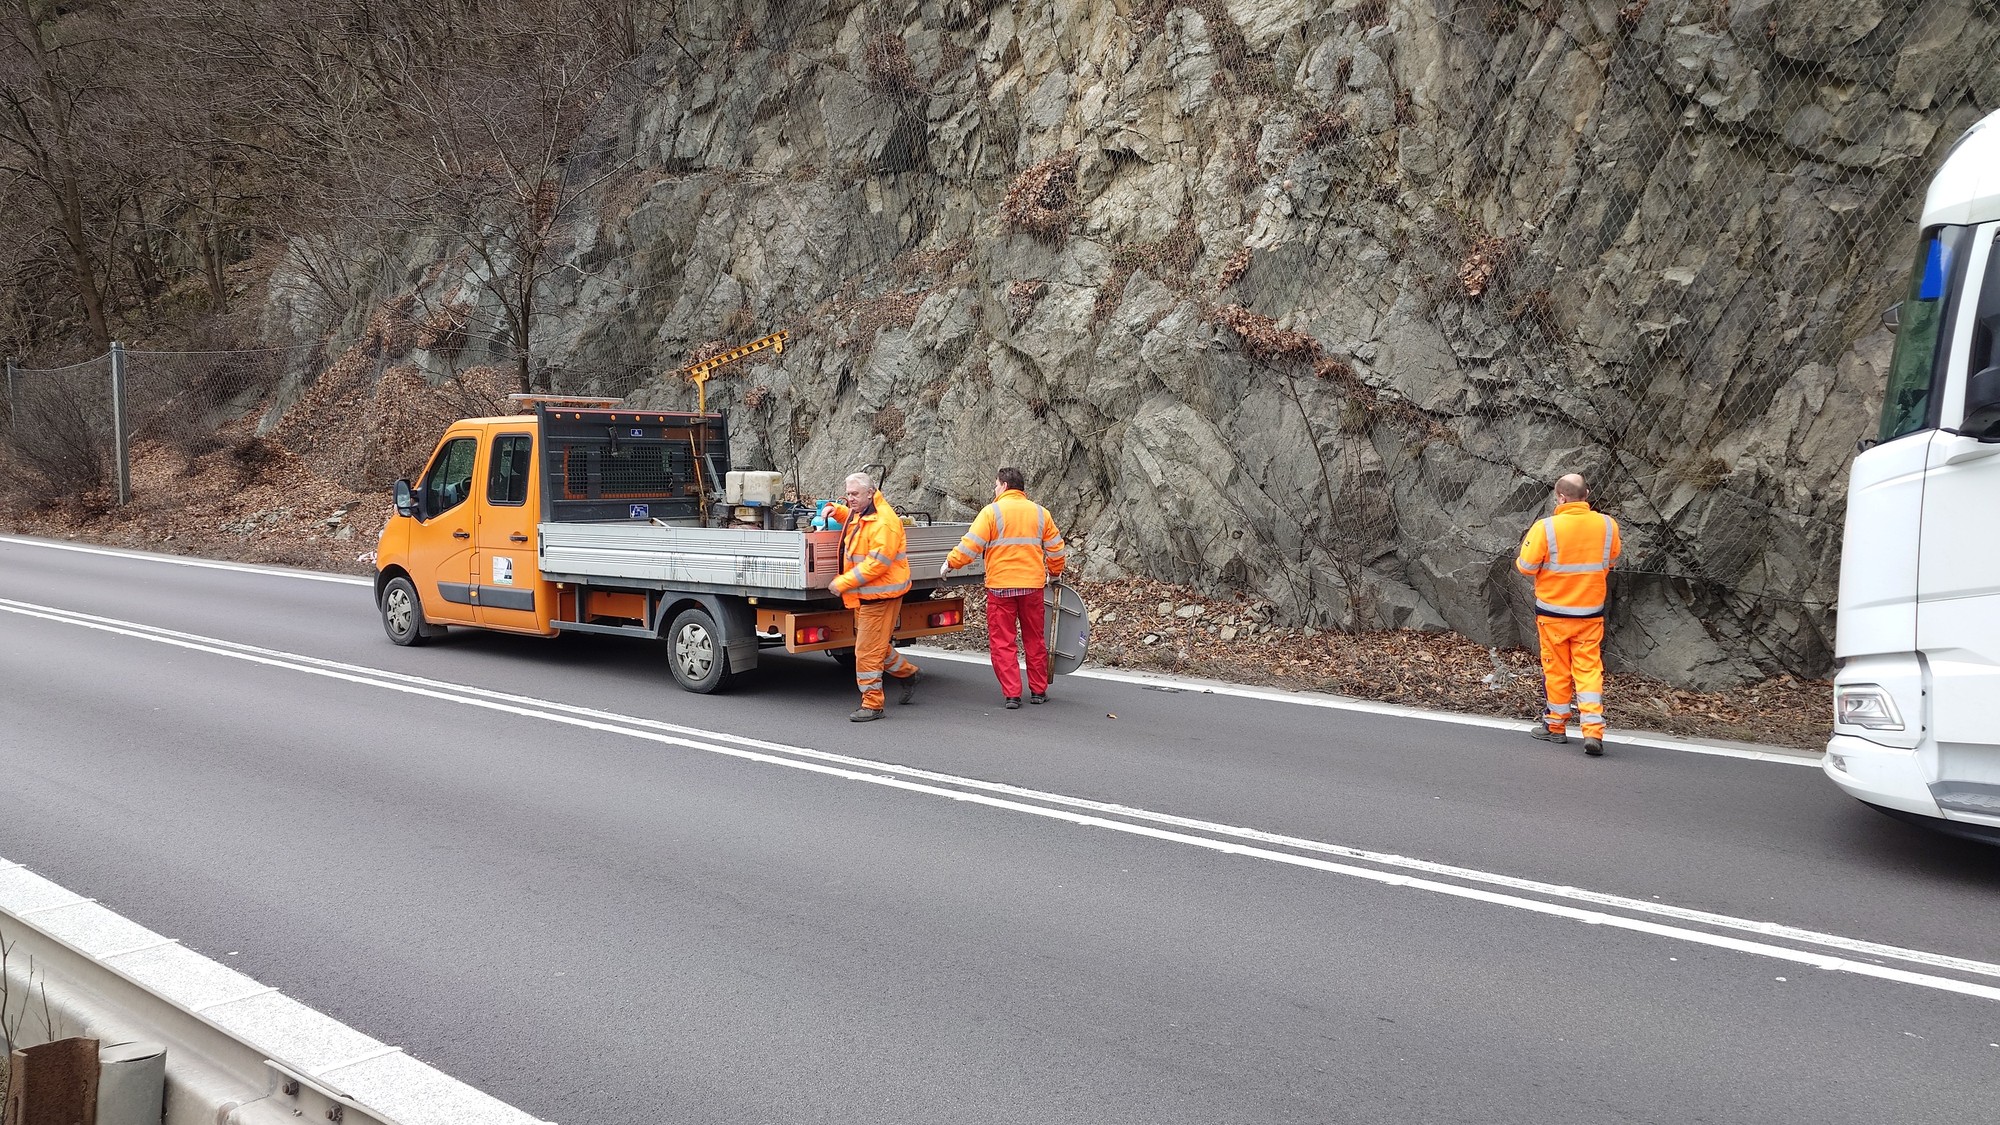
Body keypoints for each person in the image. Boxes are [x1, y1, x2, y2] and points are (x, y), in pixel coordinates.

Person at [941, 467, 1068, 709]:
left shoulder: (991, 512)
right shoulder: (1041, 513)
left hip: (1001, 588)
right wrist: (1054, 573)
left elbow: (971, 545)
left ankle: (1012, 694)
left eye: (996, 485)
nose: (994, 489)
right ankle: (1039, 691)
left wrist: (951, 562)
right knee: (1035, 639)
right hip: (1032, 587)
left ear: (1005, 486)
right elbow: (1056, 549)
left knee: (1003, 642)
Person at [1516, 473, 1621, 756]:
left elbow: (1526, 566)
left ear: (1560, 497)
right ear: (1586, 494)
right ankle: (1593, 731)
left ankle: (1556, 727)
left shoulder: (1546, 528)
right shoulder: (1607, 525)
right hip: (1590, 613)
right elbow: (1610, 560)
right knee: (1588, 670)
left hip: (1554, 614)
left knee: (1557, 670)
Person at [826, 472, 919, 721]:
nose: (850, 499)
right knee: (876, 647)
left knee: (866, 652)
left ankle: (872, 704)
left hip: (880, 597)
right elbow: (856, 526)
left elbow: (876, 564)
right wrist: (836, 510)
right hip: (867, 596)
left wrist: (843, 583)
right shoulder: (866, 512)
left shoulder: (884, 522)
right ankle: (908, 673)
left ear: (870, 492)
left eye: (854, 494)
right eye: (848, 494)